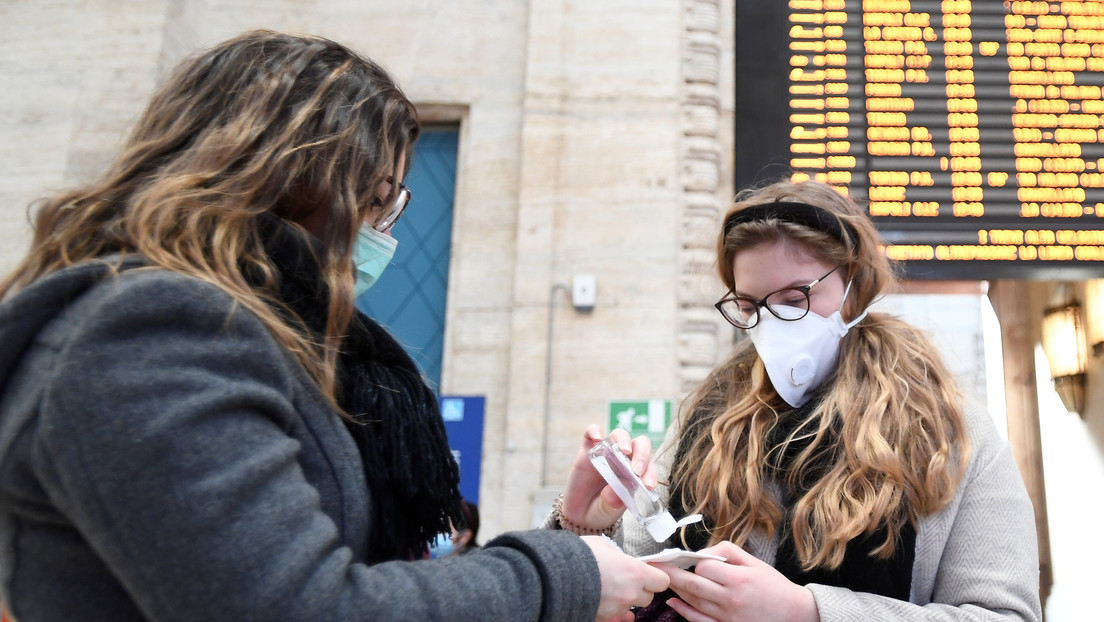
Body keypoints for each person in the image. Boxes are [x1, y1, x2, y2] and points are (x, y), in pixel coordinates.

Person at [0, 29, 668, 622]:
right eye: (374, 202)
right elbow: (304, 604)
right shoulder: (150, 333)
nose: (381, 236)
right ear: (289, 178)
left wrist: (572, 531)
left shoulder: (246, 332)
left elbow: (370, 581)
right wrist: (562, 576)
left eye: (394, 208)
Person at [557, 179, 1042, 621]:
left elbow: (1006, 616)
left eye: (794, 299)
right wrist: (583, 527)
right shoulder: (708, 421)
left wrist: (805, 612)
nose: (771, 326)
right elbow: (636, 575)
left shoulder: (950, 432)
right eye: (749, 307)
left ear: (855, 288)